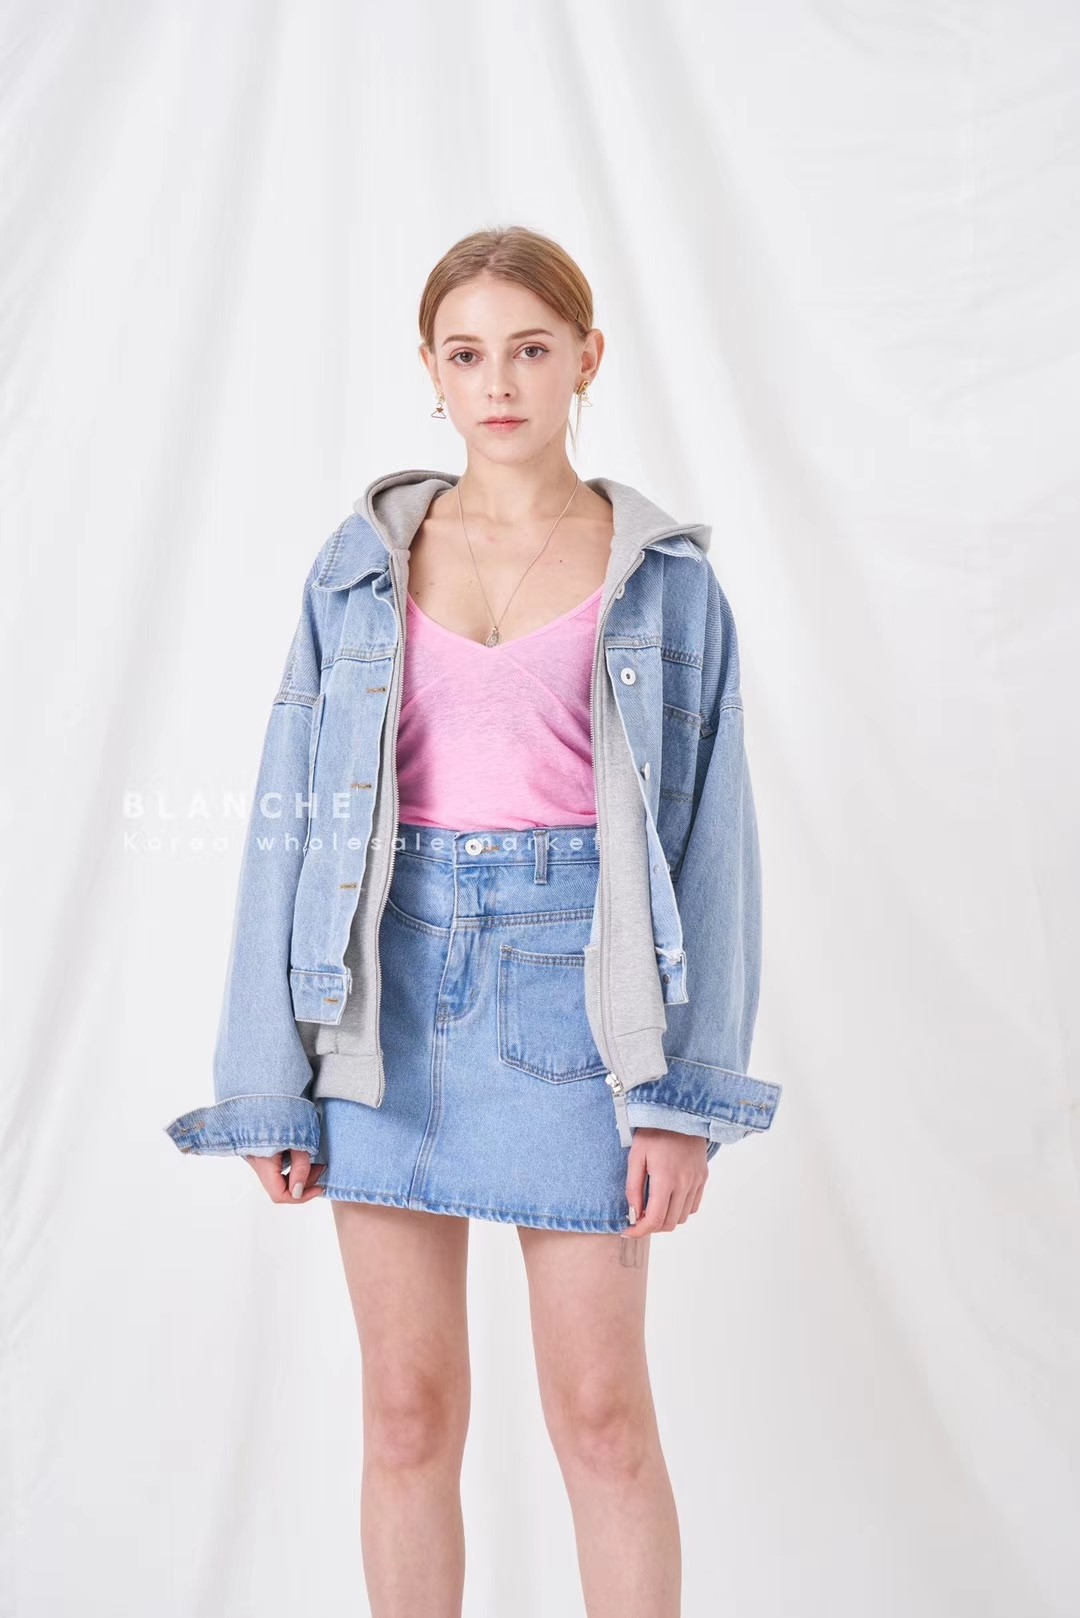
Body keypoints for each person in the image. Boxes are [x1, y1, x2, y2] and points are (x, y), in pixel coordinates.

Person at [164, 224, 781, 1617]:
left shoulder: (669, 583)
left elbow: (715, 850)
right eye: (466, 353)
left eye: (531, 349)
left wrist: (683, 1096)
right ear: (431, 371)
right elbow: (290, 821)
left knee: (602, 1416)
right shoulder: (357, 569)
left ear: (587, 359)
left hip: (582, 1008)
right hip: (381, 1008)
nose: (498, 383)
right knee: (406, 1414)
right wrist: (267, 1074)